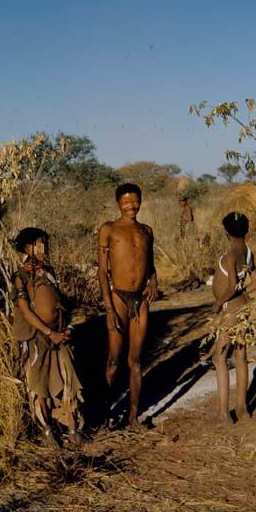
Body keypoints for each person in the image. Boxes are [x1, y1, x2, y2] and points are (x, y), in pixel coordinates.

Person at [11, 227, 84, 447]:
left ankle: (73, 429)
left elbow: (62, 303)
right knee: (38, 384)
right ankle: (46, 431)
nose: (44, 248)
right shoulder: (21, 276)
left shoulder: (49, 272)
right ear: (26, 247)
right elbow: (25, 310)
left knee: (67, 381)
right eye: (38, 244)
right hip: (37, 337)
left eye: (45, 244)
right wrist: (48, 332)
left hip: (59, 336)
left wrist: (66, 328)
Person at [98, 183, 158, 430]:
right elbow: (102, 271)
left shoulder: (146, 231)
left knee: (135, 360)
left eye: (135, 201)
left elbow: (150, 263)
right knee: (113, 360)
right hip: (118, 299)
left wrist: (154, 280)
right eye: (126, 202)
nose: (131, 206)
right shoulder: (109, 230)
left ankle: (132, 418)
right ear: (118, 204)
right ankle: (104, 417)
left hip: (141, 299)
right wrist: (109, 308)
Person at [210, 212, 256, 424]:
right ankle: (243, 409)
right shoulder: (248, 254)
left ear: (227, 232)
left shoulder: (229, 256)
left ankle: (224, 414)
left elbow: (231, 286)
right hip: (244, 309)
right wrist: (243, 291)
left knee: (219, 357)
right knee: (241, 356)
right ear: (246, 230)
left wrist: (217, 303)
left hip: (230, 310)